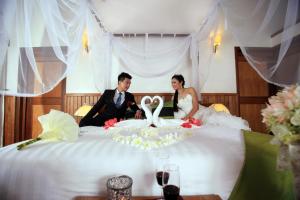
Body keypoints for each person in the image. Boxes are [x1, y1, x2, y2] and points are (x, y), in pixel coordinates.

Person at [171, 74, 250, 130]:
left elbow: (196, 107)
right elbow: (178, 112)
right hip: (188, 117)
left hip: (198, 112)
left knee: (214, 120)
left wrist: (187, 118)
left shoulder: (190, 90)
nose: (172, 84)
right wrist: (182, 119)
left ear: (181, 82)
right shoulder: (174, 97)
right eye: (172, 83)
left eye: (174, 82)